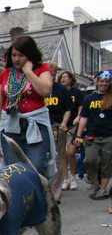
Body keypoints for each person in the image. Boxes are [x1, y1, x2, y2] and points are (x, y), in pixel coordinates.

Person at [0, 35, 55, 178]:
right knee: (13, 171)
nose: (16, 59)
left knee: (36, 168)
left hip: (35, 125)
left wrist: (28, 72)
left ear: (30, 55)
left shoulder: (42, 69)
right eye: (14, 55)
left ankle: (38, 198)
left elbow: (45, 91)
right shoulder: (5, 74)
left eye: (21, 55)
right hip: (11, 126)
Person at [76, 70, 112, 200]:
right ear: (97, 81)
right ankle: (95, 184)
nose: (104, 84)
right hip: (92, 135)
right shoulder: (89, 98)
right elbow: (84, 118)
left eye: (107, 82)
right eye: (102, 81)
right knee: (90, 160)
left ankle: (103, 189)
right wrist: (79, 135)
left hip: (109, 136)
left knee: (107, 163)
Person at [44, 61, 73, 203]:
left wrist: (64, 123)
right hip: (41, 127)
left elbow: (68, 109)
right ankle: (44, 191)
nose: (50, 77)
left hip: (56, 127)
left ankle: (56, 193)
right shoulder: (39, 88)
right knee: (42, 159)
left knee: (57, 159)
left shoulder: (61, 90)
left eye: (53, 75)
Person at [59, 69, 84, 191]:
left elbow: (81, 108)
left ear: (70, 79)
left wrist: (78, 118)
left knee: (71, 151)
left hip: (73, 125)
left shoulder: (76, 92)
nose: (63, 79)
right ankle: (65, 179)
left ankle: (73, 176)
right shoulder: (58, 92)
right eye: (61, 77)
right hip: (60, 125)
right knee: (62, 153)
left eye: (65, 77)